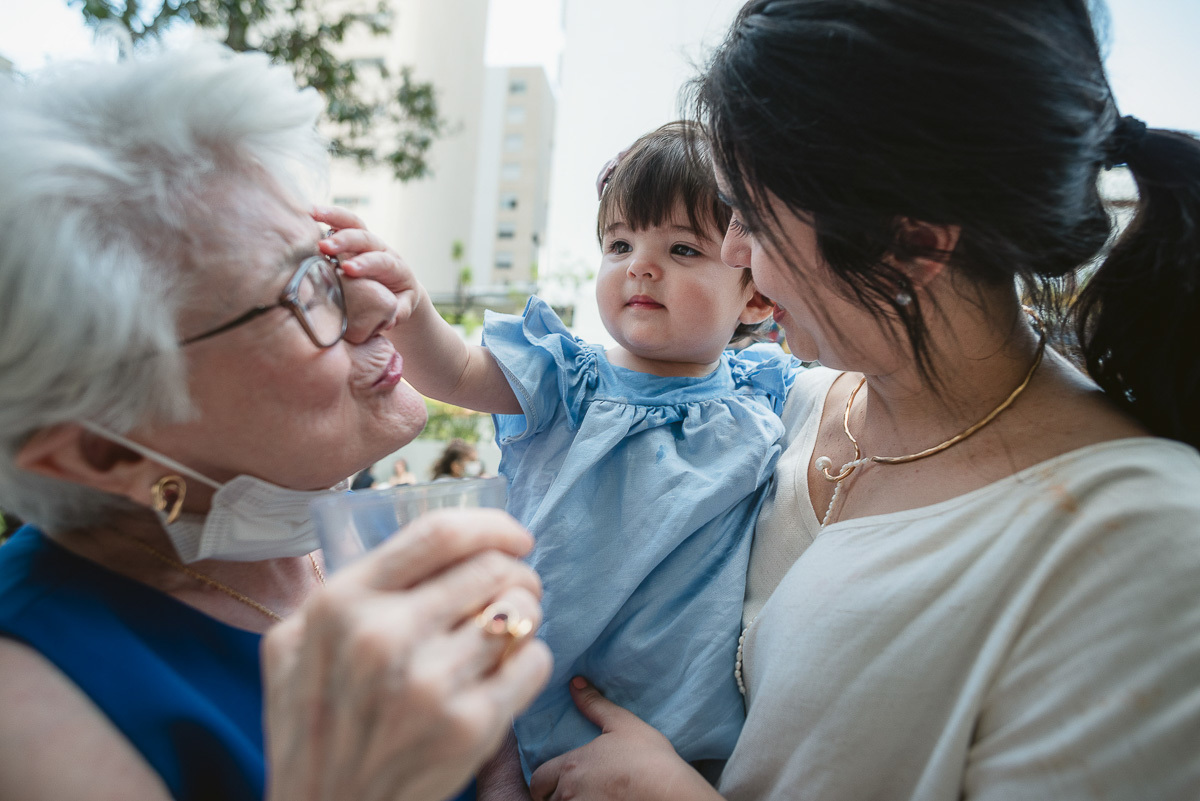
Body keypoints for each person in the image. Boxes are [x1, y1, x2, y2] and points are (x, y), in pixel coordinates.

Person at [525, 1, 1200, 799]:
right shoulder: (781, 408)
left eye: (754, 213)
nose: (735, 251)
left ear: (913, 241)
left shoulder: (1138, 547)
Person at [0, 45, 550, 801]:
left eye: (335, 253)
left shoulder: (344, 517)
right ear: (103, 448)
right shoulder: (31, 706)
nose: (380, 304)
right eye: (305, 290)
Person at [335, 120, 798, 778]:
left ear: (753, 291)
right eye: (619, 242)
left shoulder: (769, 395)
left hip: (688, 748)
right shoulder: (568, 380)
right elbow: (457, 371)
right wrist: (411, 311)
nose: (640, 263)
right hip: (540, 705)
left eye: (683, 249)